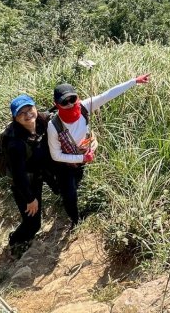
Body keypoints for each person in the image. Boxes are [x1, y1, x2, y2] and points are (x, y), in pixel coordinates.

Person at [48, 73, 150, 227]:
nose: (69, 104)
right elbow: (55, 155)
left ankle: (65, 191)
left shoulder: (84, 107)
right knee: (69, 194)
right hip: (65, 163)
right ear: (56, 104)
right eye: (64, 101)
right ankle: (75, 220)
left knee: (77, 182)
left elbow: (107, 94)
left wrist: (134, 81)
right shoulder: (53, 125)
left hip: (83, 155)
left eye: (72, 99)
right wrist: (82, 158)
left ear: (77, 98)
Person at [3, 94, 55, 257]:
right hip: (25, 183)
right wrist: (30, 199)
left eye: (29, 109)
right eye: (21, 113)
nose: (27, 115)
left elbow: (59, 110)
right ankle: (15, 242)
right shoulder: (15, 143)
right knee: (33, 223)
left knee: (63, 188)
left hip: (41, 171)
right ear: (15, 118)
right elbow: (18, 176)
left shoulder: (42, 120)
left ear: (35, 108)